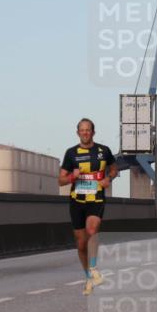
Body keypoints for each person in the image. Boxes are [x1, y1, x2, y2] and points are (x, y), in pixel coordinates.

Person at [59, 118, 117, 295]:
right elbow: (60, 180)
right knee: (81, 243)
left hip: (96, 198)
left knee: (92, 229)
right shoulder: (71, 153)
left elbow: (114, 168)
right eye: (82, 130)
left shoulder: (103, 151)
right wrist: (71, 178)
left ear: (93, 132)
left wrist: (108, 178)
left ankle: (93, 268)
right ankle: (89, 277)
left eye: (88, 130)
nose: (85, 133)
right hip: (77, 200)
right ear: (78, 133)